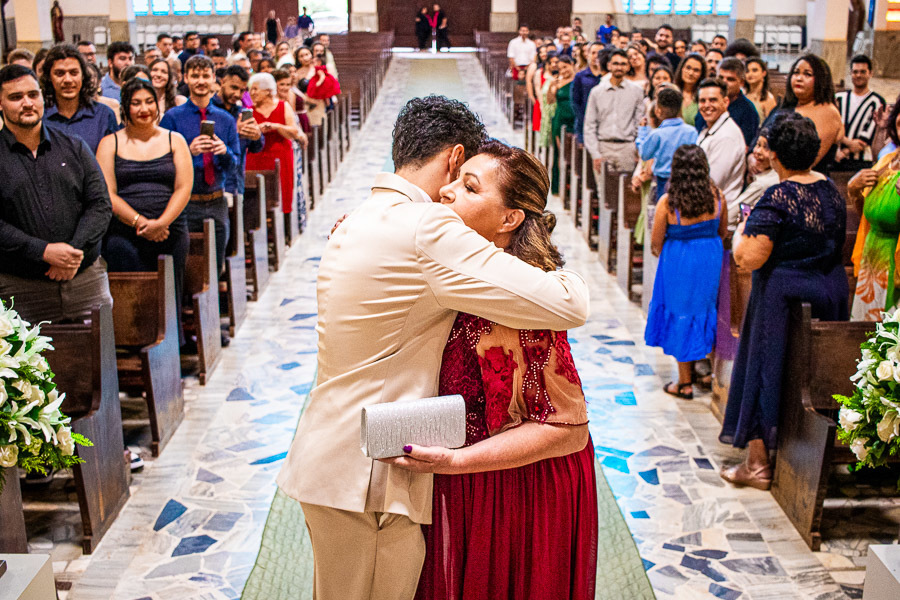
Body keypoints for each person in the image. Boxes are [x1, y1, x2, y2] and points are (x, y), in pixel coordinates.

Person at [275, 94, 589, 600]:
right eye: (462, 180)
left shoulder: (360, 218)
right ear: (454, 157)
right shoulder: (424, 227)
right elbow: (570, 302)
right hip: (370, 475)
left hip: (344, 456)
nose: (450, 197)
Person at [408, 140, 597, 600]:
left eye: (469, 187)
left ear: (510, 219)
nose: (447, 192)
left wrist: (458, 462)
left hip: (518, 485)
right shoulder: (458, 270)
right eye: (454, 179)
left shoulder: (519, 296)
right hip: (471, 479)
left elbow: (567, 429)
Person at [719, 112, 848, 490]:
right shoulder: (828, 188)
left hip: (784, 298)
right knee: (810, 372)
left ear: (774, 154)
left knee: (764, 369)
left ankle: (758, 465)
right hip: (829, 292)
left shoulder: (779, 195)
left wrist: (742, 232)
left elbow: (748, 258)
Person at [0, 64, 112, 324]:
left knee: (100, 362)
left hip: (85, 281)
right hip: (21, 289)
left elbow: (100, 204)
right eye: (16, 97)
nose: (27, 103)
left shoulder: (74, 146)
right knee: (25, 365)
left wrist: (71, 253)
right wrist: (42, 251)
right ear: (1, 104)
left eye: (32, 94)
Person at [96, 78, 192, 342]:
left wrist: (161, 223)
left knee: (170, 291)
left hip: (170, 229)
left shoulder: (175, 140)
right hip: (123, 231)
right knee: (133, 294)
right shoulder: (110, 143)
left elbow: (183, 187)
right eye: (136, 103)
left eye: (149, 102)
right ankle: (134, 341)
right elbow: (108, 193)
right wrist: (140, 222)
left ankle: (172, 345)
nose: (144, 108)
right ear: (125, 107)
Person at [645, 144, 726, 399]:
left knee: (682, 315)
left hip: (679, 261)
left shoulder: (668, 203)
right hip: (710, 258)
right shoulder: (718, 196)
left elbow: (656, 243)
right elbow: (722, 233)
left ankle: (684, 382)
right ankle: (708, 373)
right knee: (707, 312)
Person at [160, 55, 239, 276]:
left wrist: (224, 152)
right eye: (195, 76)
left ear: (215, 79)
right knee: (187, 263)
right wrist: (189, 151)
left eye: (206, 76)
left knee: (217, 262)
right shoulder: (172, 118)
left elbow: (235, 165)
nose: (201, 81)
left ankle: (213, 306)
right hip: (186, 202)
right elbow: (164, 164)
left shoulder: (225, 119)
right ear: (186, 78)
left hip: (216, 200)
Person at [848, 98, 900, 320]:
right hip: (874, 261)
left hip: (895, 264)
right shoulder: (888, 161)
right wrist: (853, 189)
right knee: (866, 341)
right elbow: (869, 217)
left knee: (889, 346)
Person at [759, 54, 843, 173]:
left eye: (807, 74)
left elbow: (808, 161)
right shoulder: (786, 106)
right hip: (773, 171)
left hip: (802, 181)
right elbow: (763, 133)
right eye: (796, 72)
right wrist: (752, 158)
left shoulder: (828, 111)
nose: (799, 78)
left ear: (821, 79)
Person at [41, 44, 119, 155]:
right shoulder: (41, 118)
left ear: (83, 75)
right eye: (60, 73)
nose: (67, 79)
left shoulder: (103, 115)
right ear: (49, 77)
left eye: (74, 73)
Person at [245, 72, 301, 214]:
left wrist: (275, 126)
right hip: (256, 157)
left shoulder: (283, 106)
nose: (252, 93)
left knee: (281, 190)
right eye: (251, 89)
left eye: (256, 89)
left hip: (280, 155)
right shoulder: (249, 111)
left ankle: (284, 222)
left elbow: (294, 131)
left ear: (268, 91)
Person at [583, 49, 644, 174]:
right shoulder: (597, 92)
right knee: (603, 190)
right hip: (603, 147)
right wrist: (595, 153)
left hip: (627, 147)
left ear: (628, 67)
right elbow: (589, 125)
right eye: (615, 63)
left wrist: (637, 149)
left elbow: (639, 122)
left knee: (626, 191)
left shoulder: (636, 91)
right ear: (609, 65)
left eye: (623, 64)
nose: (619, 67)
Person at [210, 64, 264, 204]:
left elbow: (256, 147)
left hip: (236, 183)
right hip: (214, 185)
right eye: (234, 88)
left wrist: (257, 136)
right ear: (222, 82)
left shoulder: (241, 113)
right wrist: (235, 131)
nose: (238, 95)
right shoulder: (209, 111)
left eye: (242, 90)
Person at [696, 78, 747, 225]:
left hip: (717, 216)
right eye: (702, 101)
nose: (707, 106)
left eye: (713, 100)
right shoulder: (710, 129)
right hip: (705, 211)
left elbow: (712, 182)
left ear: (725, 102)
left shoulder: (727, 136)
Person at [637, 87, 699, 201]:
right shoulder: (692, 131)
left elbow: (645, 154)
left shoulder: (657, 134)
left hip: (663, 181)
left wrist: (642, 132)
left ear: (658, 111)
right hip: (687, 181)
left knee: (664, 212)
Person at [834, 55, 886, 172]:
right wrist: (843, 146)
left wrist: (845, 151)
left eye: (863, 72)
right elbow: (831, 126)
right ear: (850, 73)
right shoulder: (839, 98)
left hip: (862, 162)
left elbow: (867, 137)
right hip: (835, 158)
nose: (858, 75)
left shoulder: (877, 102)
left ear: (870, 73)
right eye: (855, 72)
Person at [694, 57, 759, 147]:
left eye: (730, 79)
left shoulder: (748, 110)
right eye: (721, 77)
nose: (724, 83)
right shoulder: (707, 103)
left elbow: (746, 146)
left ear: (741, 82)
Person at [733, 128, 780, 212]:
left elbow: (731, 213)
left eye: (766, 148)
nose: (758, 151)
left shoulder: (762, 184)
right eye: (758, 145)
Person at [549, 56, 576, 195]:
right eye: (560, 68)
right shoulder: (558, 82)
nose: (563, 71)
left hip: (574, 119)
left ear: (572, 64)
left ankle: (572, 186)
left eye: (565, 67)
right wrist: (553, 86)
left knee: (575, 154)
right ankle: (559, 185)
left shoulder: (577, 80)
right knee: (561, 153)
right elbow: (550, 100)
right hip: (560, 120)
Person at [571, 42, 603, 143]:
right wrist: (584, 119)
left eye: (600, 53)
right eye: (593, 53)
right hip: (584, 123)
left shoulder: (608, 77)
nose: (596, 56)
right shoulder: (580, 76)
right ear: (588, 55)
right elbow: (575, 101)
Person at [674, 53, 706, 127]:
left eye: (696, 70)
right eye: (688, 68)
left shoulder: (703, 97)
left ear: (701, 74)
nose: (691, 73)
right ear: (682, 68)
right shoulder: (672, 92)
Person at [744, 57, 776, 121]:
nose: (750, 74)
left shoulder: (768, 98)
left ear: (763, 73)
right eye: (747, 71)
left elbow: (770, 125)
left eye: (754, 70)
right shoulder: (743, 94)